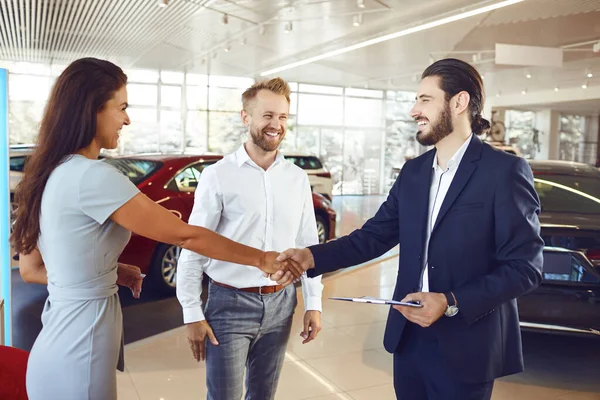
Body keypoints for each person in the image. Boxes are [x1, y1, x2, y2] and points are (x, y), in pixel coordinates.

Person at [11, 58, 303, 400]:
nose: (127, 118)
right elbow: (185, 235)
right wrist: (262, 259)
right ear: (92, 109)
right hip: (82, 350)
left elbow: (32, 270)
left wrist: (107, 271)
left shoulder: (51, 171)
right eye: (121, 107)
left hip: (54, 346)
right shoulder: (94, 176)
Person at [273, 58, 544, 400]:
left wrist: (449, 301)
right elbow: (373, 237)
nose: (414, 110)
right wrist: (310, 256)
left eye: (425, 99)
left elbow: (526, 268)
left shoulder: (503, 172)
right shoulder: (413, 173)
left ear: (459, 102)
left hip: (467, 344)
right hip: (409, 342)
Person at [176, 77, 323, 400]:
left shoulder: (296, 178)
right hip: (229, 304)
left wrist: (314, 303)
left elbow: (309, 245)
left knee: (263, 396)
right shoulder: (218, 175)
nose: (276, 125)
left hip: (282, 303)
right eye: (267, 115)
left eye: (283, 117)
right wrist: (191, 312)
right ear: (246, 117)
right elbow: (194, 244)